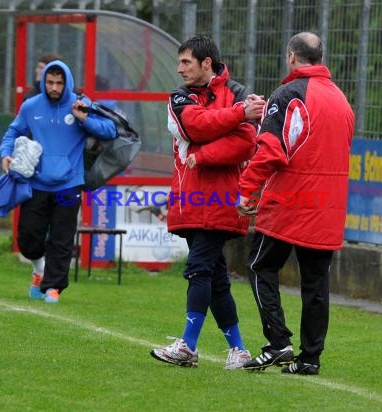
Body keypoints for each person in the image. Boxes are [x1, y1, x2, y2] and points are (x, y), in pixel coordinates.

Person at [237, 32, 355, 375]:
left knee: (260, 266)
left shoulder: (289, 94)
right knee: (316, 282)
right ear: (319, 57)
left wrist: (248, 190)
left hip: (292, 203)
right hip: (328, 206)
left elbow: (272, 149)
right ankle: (309, 359)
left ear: (291, 56)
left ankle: (278, 343)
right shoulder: (342, 101)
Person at [150, 35, 265, 369]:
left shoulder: (240, 94)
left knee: (199, 269)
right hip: (189, 201)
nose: (179, 68)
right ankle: (239, 350)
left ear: (206, 63)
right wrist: (238, 114)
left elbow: (246, 142)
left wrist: (202, 157)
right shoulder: (179, 98)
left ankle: (187, 346)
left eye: (186, 62)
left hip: (221, 201)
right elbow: (196, 126)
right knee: (215, 278)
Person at [0, 60, 117, 303]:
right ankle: (39, 270)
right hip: (36, 183)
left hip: (69, 185)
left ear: (67, 84)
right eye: (50, 82)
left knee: (61, 239)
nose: (54, 87)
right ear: (44, 82)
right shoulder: (31, 106)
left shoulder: (80, 104)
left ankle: (53, 288)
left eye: (59, 83)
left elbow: (109, 131)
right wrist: (6, 153)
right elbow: (13, 131)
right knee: (28, 238)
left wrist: (84, 119)